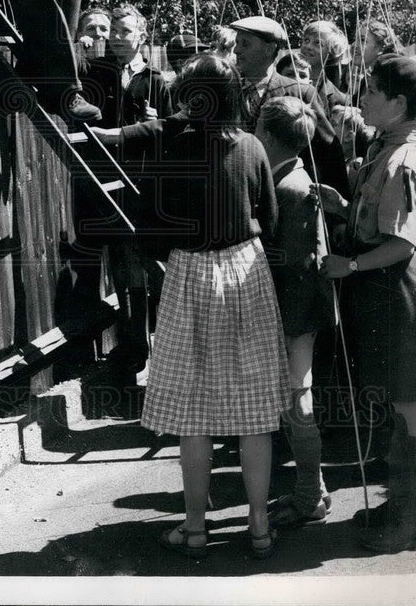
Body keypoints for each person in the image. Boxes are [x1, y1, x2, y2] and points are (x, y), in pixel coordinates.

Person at [91, 54, 289, 560]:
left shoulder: (172, 149)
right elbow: (269, 213)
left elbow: (149, 227)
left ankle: (196, 528)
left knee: (193, 411)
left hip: (190, 274)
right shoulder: (252, 146)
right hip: (247, 271)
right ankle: (260, 525)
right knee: (255, 411)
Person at [312, 54, 416, 553]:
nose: (362, 98)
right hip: (380, 280)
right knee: (395, 395)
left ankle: (411, 522)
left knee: (411, 397)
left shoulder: (406, 157)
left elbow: (403, 243)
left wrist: (349, 267)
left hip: (396, 283)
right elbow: (379, 219)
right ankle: (402, 503)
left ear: (398, 102)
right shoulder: (386, 145)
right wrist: (344, 208)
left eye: (372, 91)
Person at [74, 3, 173, 375]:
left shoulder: (155, 80)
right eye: (112, 31)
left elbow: (169, 134)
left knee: (148, 266)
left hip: (141, 182)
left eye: (124, 32)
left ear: (141, 37)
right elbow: (69, 74)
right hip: (105, 179)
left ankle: (159, 349)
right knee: (122, 265)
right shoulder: (96, 71)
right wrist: (80, 44)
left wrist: (155, 121)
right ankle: (133, 350)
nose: (115, 38)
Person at [257, 97, 336, 527]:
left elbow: (298, 261)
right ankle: (314, 490)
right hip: (295, 309)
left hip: (295, 312)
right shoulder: (286, 177)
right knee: (292, 401)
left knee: (297, 402)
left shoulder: (291, 188)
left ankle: (309, 498)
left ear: (266, 135)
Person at [230, 15, 350, 200]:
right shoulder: (225, 89)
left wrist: (339, 212)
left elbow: (328, 153)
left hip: (282, 198)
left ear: (269, 49)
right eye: (236, 43)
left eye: (245, 44)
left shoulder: (300, 93)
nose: (236, 50)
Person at [299, 20, 349, 118]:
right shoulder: (284, 80)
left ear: (330, 54)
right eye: (306, 40)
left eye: (318, 43)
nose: (308, 46)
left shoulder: (339, 100)